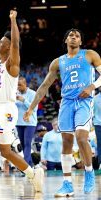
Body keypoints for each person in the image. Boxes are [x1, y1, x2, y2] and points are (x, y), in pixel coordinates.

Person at [24, 28, 101, 197]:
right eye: (71, 36)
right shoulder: (58, 62)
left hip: (84, 102)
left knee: (81, 137)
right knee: (66, 141)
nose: (74, 37)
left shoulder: (90, 55)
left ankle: (89, 172)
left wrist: (92, 86)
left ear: (80, 42)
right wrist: (31, 107)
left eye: (77, 36)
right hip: (66, 103)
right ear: (66, 40)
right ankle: (67, 184)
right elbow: (44, 86)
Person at [0, 7, 43, 193]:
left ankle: (32, 174)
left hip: (7, 109)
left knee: (6, 151)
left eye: (3, 43)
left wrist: (13, 21)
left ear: (9, 46)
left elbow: (15, 42)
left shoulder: (12, 64)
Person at [16, 76, 37, 166]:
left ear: (25, 84)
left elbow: (34, 108)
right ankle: (30, 165)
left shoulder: (33, 93)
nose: (18, 87)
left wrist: (24, 100)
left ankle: (25, 166)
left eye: (20, 85)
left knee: (27, 144)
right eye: (17, 85)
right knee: (23, 145)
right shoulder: (15, 93)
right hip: (18, 122)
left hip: (30, 123)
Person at [93, 89, 101, 168]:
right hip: (98, 124)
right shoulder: (95, 99)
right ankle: (100, 163)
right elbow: (92, 111)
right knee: (100, 143)